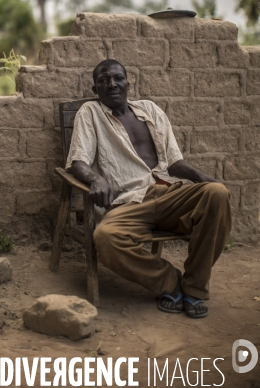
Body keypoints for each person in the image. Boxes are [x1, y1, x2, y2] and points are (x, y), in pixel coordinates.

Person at [66, 59, 231, 318]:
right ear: (95, 88)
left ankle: (195, 288)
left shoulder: (150, 110)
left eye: (118, 78)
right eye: (104, 80)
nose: (112, 84)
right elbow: (78, 161)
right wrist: (96, 179)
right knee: (106, 238)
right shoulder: (91, 112)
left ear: (128, 82)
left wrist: (205, 179)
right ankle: (170, 282)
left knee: (217, 194)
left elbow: (175, 163)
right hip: (130, 200)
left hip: (170, 192)